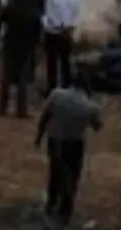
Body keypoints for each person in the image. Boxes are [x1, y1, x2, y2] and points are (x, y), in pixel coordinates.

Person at [35, 74, 103, 228]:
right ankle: (64, 212)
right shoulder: (89, 105)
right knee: (72, 177)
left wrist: (39, 137)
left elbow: (45, 117)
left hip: (55, 140)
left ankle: (51, 204)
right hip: (75, 144)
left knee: (55, 173)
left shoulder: (57, 95)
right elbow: (97, 126)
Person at [0, 0, 41, 118]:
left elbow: (2, 17)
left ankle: (3, 108)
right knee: (23, 78)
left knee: (7, 75)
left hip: (11, 40)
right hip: (27, 42)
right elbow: (37, 23)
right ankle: (21, 110)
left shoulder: (11, 1)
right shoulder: (32, 4)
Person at [42, 0, 81, 92]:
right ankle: (67, 86)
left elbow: (50, 15)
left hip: (53, 33)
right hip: (68, 33)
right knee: (65, 62)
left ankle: (52, 88)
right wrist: (68, 27)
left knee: (51, 63)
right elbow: (76, 14)